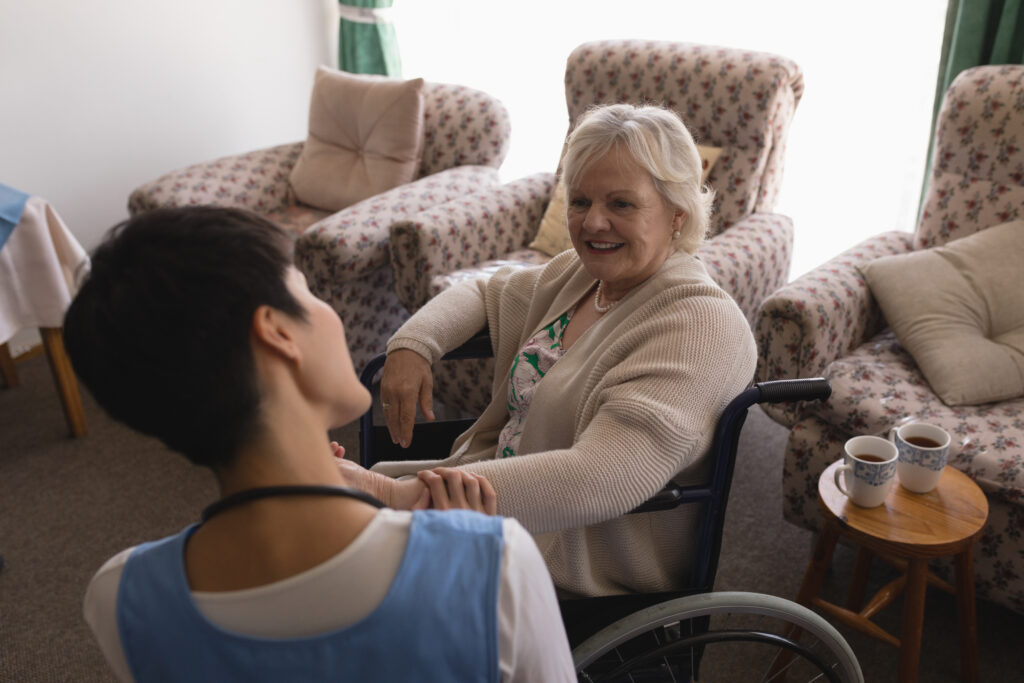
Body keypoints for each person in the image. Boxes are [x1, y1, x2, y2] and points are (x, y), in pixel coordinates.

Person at [64, 207, 574, 682]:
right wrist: (468, 560)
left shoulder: (119, 598)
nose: (328, 311)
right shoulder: (495, 561)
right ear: (278, 332)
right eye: (308, 292)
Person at [364, 103, 758, 601]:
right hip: (490, 512)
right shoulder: (581, 277)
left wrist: (400, 496)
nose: (594, 222)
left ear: (676, 214)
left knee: (351, 575)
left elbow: (599, 477)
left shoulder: (700, 325)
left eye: (621, 204)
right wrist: (413, 345)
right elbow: (483, 293)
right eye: (580, 201)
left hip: (565, 562)